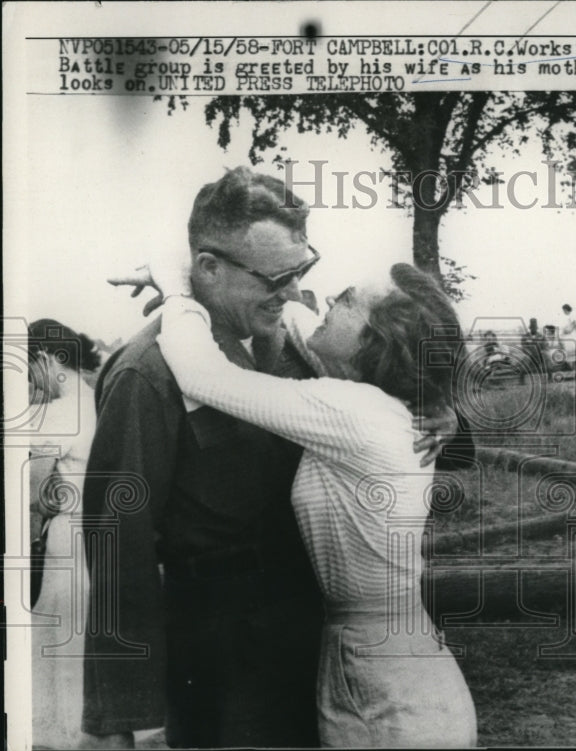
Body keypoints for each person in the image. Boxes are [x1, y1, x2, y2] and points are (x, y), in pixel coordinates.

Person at [82, 168, 464, 749]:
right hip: (220, 656)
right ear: (209, 269)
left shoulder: (297, 343)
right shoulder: (148, 373)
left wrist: (445, 416)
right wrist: (119, 713)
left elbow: (396, 392)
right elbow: (118, 542)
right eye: (277, 277)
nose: (293, 292)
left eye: (301, 271)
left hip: (318, 642)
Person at [149, 259, 477, 747]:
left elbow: (200, 374)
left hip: (377, 674)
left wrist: (177, 283)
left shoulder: (351, 411)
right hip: (395, 660)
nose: (323, 301)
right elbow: (299, 321)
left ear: (374, 338)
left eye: (344, 298)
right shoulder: (378, 401)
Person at [27, 319, 100, 750]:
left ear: (47, 358)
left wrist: (40, 499)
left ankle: (65, 734)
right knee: (79, 633)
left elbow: (30, 485)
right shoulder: (94, 399)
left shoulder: (61, 410)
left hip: (68, 537)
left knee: (61, 635)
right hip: (92, 535)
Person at [519, 317, 547, 385]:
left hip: (539, 355)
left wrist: (543, 351)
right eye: (532, 328)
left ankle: (550, 376)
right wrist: (527, 352)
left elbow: (545, 345)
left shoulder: (541, 336)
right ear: (530, 328)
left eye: (534, 327)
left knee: (546, 356)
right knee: (525, 359)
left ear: (536, 328)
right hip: (530, 356)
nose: (533, 329)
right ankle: (521, 379)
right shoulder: (525, 337)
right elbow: (523, 347)